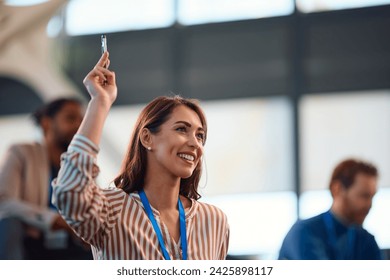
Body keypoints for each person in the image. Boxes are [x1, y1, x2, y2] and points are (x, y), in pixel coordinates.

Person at [51, 52, 230, 260]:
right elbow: (69, 191)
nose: (195, 143)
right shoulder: (111, 209)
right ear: (147, 138)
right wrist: (100, 102)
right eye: (182, 129)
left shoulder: (214, 221)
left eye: (200, 136)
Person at [0, 97, 92, 259]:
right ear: (46, 123)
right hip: (30, 241)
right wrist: (55, 220)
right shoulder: (21, 152)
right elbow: (4, 201)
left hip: (71, 245)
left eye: (81, 120)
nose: (79, 126)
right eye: (70, 118)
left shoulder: (81, 165)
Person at [278, 158, 383, 260]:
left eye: (372, 196)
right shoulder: (304, 233)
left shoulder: (366, 240)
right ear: (336, 189)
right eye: (363, 196)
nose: (369, 205)